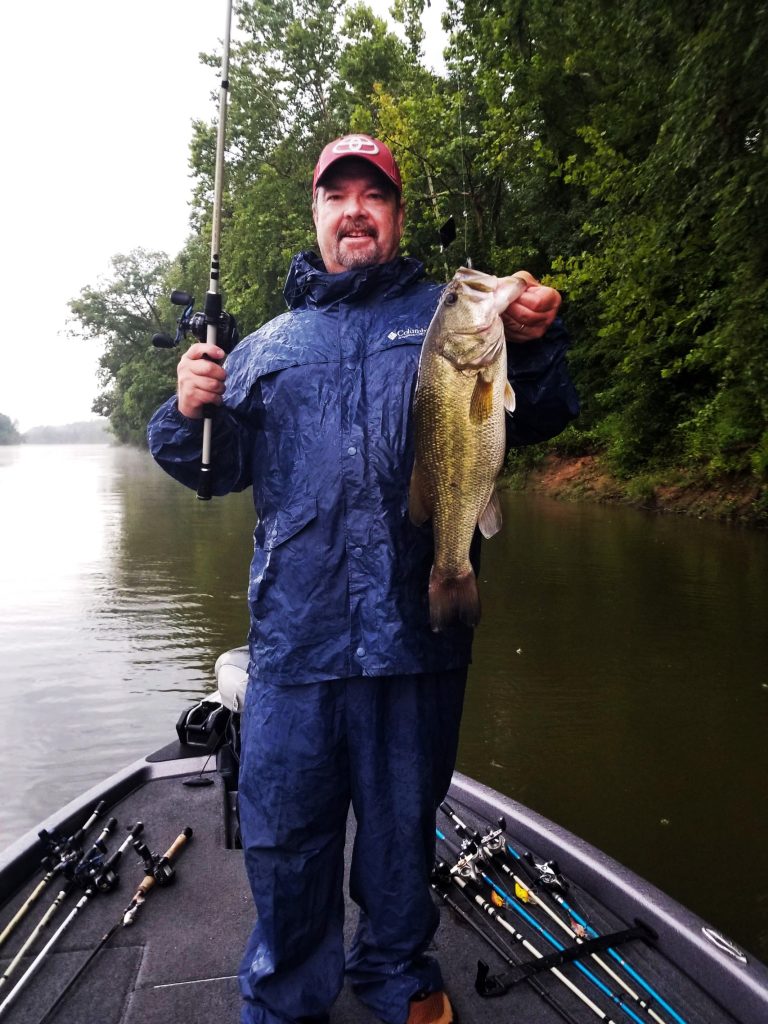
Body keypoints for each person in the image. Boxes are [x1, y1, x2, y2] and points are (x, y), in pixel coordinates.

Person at [148, 133, 579, 1024]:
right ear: (315, 215)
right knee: (287, 841)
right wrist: (187, 408)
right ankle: (288, 995)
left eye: (372, 195)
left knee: (397, 838)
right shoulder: (266, 346)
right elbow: (209, 470)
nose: (354, 211)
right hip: (296, 646)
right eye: (336, 196)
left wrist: (533, 341)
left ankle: (395, 978)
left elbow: (533, 413)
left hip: (415, 635)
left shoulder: (448, 321)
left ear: (395, 215)